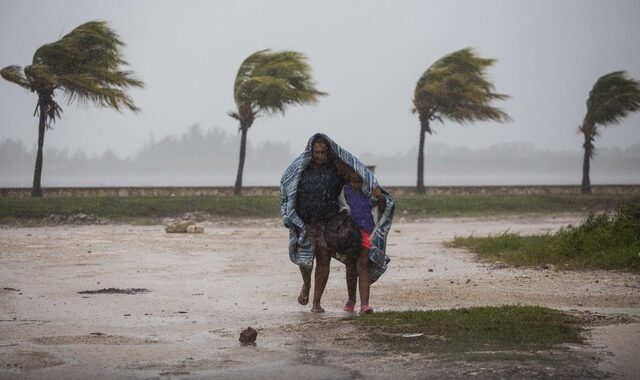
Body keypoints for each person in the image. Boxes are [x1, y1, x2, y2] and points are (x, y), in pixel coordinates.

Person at [293, 136, 343, 312]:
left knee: (323, 260)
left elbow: (350, 185)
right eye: (316, 152)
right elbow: (288, 186)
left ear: (328, 153)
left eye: (322, 152)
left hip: (327, 222)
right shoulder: (302, 169)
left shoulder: (334, 170)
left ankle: (316, 302)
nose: (319, 155)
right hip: (305, 222)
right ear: (311, 152)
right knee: (305, 260)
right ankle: (306, 284)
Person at [339, 166, 386, 314]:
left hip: (367, 232)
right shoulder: (344, 190)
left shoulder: (370, 191)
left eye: (359, 174)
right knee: (351, 267)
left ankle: (364, 305)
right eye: (353, 174)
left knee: (363, 266)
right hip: (349, 233)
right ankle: (351, 300)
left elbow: (383, 207)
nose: (356, 176)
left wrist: (380, 198)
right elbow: (339, 208)